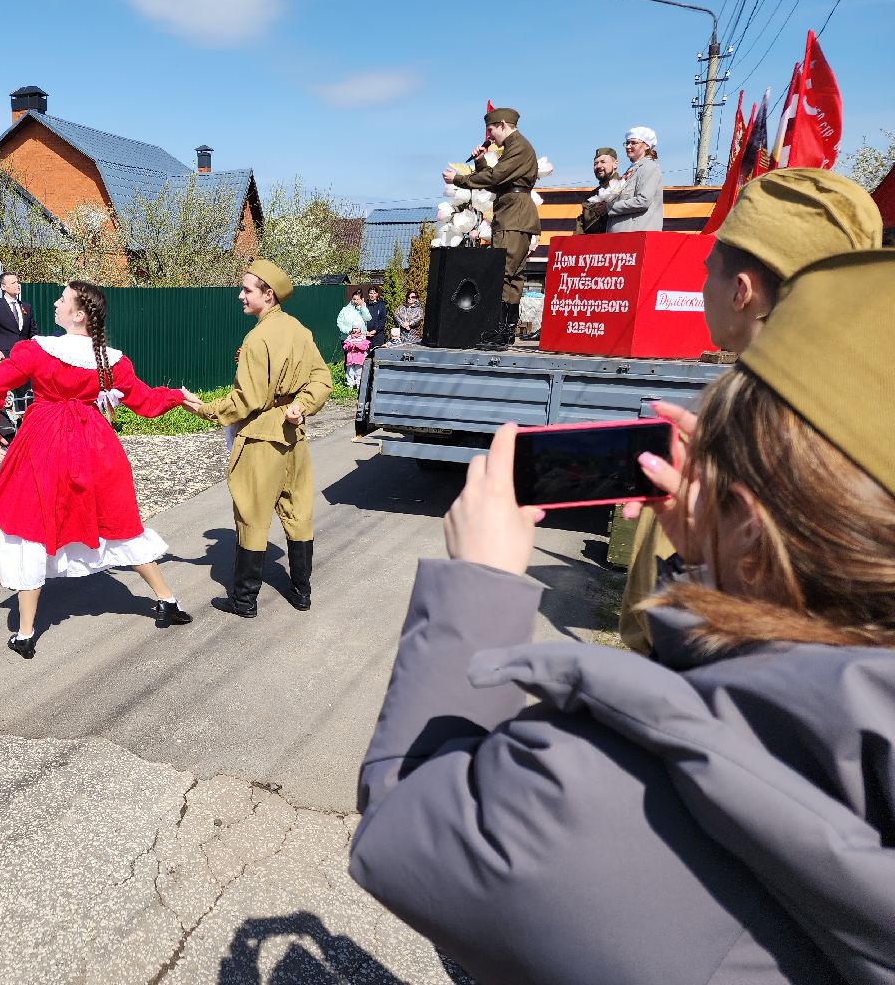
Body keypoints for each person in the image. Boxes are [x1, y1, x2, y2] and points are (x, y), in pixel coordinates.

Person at [349, 247, 895, 983]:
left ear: (749, 518)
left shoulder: (589, 788)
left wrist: (477, 583)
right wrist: (723, 567)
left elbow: (402, 825)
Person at [618, 167, 884, 653]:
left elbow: (650, 633)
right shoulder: (872, 425)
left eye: (707, 272)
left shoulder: (721, 447)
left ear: (742, 291)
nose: (704, 287)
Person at [0, 280, 194, 657]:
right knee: (118, 524)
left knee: (32, 528)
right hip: (95, 449)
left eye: (62, 299)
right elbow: (145, 402)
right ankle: (167, 601)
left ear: (78, 315)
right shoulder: (111, 361)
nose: (55, 303)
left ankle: (25, 634)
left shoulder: (36, 350)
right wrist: (177, 396)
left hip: (42, 446)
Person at [184, 260, 333, 617]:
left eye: (247, 289)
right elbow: (322, 379)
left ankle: (244, 600)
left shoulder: (257, 338)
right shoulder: (298, 330)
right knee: (298, 511)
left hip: (260, 438)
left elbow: (245, 401)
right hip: (293, 436)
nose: (240, 295)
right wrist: (300, 406)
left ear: (268, 295)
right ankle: (302, 593)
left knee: (252, 515)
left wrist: (203, 408)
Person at [445, 106, 540, 344]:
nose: (489, 137)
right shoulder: (514, 147)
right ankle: (505, 330)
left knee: (504, 273)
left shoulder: (519, 147)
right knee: (511, 276)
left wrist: (458, 179)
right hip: (512, 215)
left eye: (491, 130)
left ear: (503, 125)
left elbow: (495, 177)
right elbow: (497, 180)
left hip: (514, 217)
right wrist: (479, 161)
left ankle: (502, 329)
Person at [601, 126, 664, 233]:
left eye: (633, 143)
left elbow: (643, 201)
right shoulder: (632, 169)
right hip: (622, 234)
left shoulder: (649, 167)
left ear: (646, 146)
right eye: (627, 143)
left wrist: (609, 208)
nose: (628, 146)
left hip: (637, 233)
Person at [0, 271, 37, 360]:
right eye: (13, 283)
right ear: (3, 287)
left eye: (17, 282)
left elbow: (33, 332)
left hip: (25, 356)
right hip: (4, 358)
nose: (17, 285)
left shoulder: (26, 307)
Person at [573, 147, 621, 235]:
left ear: (615, 164)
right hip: (592, 242)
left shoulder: (624, 186)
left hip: (616, 240)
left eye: (603, 162)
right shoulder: (591, 196)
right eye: (596, 163)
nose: (598, 166)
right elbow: (582, 225)